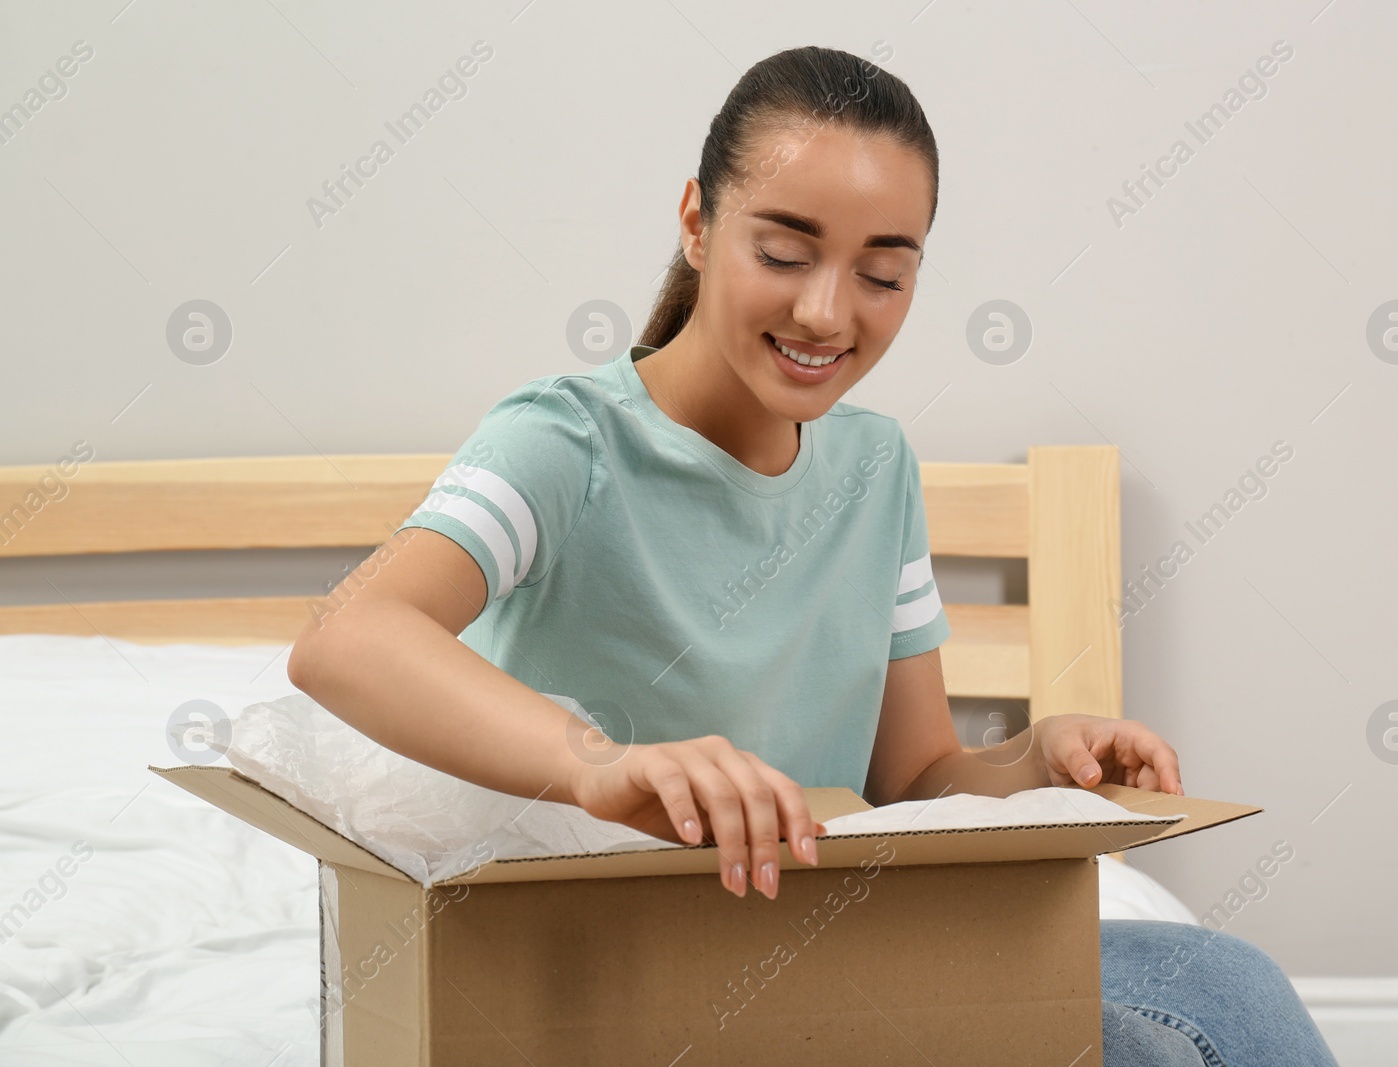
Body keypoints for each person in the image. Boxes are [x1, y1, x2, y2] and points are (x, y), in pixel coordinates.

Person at [287, 44, 1338, 1067]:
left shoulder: (873, 467)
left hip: (825, 932)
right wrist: (596, 764)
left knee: (1231, 980)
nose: (826, 311)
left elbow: (915, 777)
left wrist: (1038, 756)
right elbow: (344, 637)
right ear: (697, 222)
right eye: (784, 253)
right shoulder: (569, 444)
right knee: (1135, 1048)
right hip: (617, 951)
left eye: (882, 272)